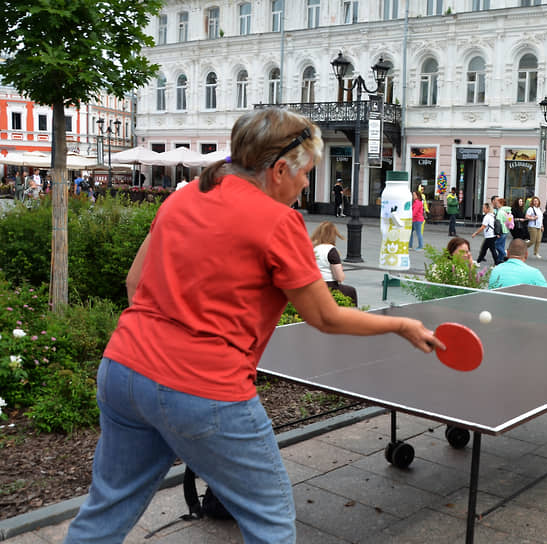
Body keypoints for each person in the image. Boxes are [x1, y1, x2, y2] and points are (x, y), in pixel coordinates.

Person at [62, 108, 442, 544]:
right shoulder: (279, 222)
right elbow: (325, 316)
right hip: (204, 388)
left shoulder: (182, 198)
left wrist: (159, 346)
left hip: (123, 370)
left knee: (107, 506)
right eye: (305, 175)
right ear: (280, 169)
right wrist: (399, 326)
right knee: (271, 520)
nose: (305, 186)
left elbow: (134, 282)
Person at [310, 221, 358, 306]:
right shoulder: (331, 250)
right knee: (351, 291)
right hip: (329, 286)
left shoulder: (312, 248)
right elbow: (339, 277)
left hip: (313, 285)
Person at [490, 195, 509, 262]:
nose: (496, 204)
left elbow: (498, 223)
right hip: (506, 230)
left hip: (501, 231)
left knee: (496, 245)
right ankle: (499, 260)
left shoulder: (500, 212)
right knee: (502, 245)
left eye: (498, 203)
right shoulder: (506, 210)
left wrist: (497, 233)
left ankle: (504, 254)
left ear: (501, 204)